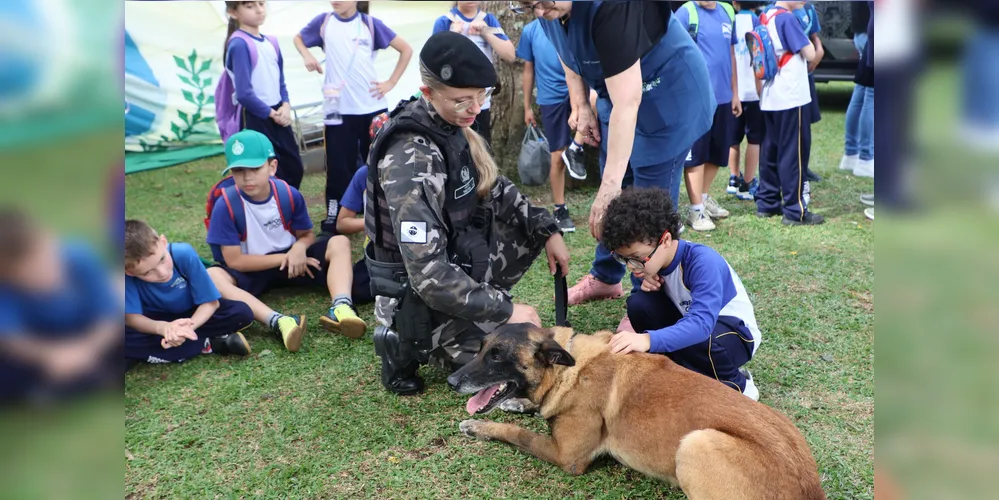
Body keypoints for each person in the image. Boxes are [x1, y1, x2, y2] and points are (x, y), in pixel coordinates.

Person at [364, 31, 570, 395]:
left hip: (455, 263)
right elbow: (427, 273)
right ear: (428, 93)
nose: (474, 109)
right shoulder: (410, 158)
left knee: (523, 227)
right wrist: (504, 311)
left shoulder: (452, 127)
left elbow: (495, 187)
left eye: (480, 96)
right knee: (502, 366)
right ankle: (403, 342)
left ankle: (470, 316)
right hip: (415, 292)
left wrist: (547, 228)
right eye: (462, 100)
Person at [516, 1, 713, 308]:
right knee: (616, 179)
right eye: (528, 6)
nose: (539, 12)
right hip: (617, 95)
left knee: (648, 196)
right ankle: (606, 278)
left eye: (543, 2)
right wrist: (580, 103)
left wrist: (609, 188)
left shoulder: (612, 6)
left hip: (668, 93)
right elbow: (564, 50)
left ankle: (648, 299)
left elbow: (628, 99)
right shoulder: (550, 10)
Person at [205, 130, 367, 352]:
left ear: (272, 167)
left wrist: (299, 249)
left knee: (339, 242)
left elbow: (306, 234)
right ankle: (279, 321)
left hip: (296, 265)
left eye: (254, 168)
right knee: (213, 276)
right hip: (254, 269)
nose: (247, 177)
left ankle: (341, 307)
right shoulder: (225, 205)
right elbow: (234, 261)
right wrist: (287, 257)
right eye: (238, 170)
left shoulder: (288, 194)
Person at [601, 188, 760, 401]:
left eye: (636, 258)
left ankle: (739, 385)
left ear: (665, 240)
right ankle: (681, 374)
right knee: (640, 304)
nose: (631, 267)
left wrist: (648, 340)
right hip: (698, 328)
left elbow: (701, 325)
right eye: (624, 259)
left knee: (698, 336)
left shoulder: (703, 262)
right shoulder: (654, 263)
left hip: (735, 335)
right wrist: (653, 284)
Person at [294, 0, 413, 235]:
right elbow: (298, 38)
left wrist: (391, 82)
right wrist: (307, 55)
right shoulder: (324, 22)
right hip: (337, 111)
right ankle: (333, 219)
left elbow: (406, 49)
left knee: (380, 163)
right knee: (338, 167)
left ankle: (384, 213)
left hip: (373, 108)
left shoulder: (370, 24)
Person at [0, 210, 120, 403]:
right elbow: (11, 338)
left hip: (91, 336)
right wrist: (50, 356)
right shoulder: (5, 288)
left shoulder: (79, 257)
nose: (43, 272)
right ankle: (67, 384)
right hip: (42, 346)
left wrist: (89, 350)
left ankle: (82, 380)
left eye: (45, 259)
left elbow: (107, 315)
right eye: (29, 271)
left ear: (50, 239)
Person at [125, 220, 254, 368]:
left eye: (162, 259)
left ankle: (165, 349)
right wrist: (163, 328)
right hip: (155, 321)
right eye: (147, 272)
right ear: (128, 271)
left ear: (163, 241)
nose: (162, 273)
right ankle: (210, 344)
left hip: (194, 315)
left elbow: (211, 303)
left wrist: (187, 329)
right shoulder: (124, 278)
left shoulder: (183, 254)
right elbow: (131, 319)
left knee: (240, 312)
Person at [517, 18, 589, 234]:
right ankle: (560, 208)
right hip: (551, 98)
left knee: (593, 111)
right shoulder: (530, 30)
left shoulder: (572, 22)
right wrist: (527, 106)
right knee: (557, 154)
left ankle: (577, 148)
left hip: (579, 90)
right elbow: (528, 70)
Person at [221, 1, 304, 189]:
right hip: (256, 116)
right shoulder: (239, 44)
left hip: (277, 113)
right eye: (250, 6)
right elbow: (244, 93)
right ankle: (275, 211)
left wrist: (285, 105)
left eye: (261, 4)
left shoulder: (271, 42)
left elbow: (280, 81)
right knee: (267, 170)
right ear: (233, 12)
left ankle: (287, 206)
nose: (259, 10)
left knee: (293, 166)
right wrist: (271, 114)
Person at [755, 1, 823, 226]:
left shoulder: (766, 15)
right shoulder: (787, 19)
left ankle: (767, 201)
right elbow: (810, 53)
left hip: (771, 93)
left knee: (771, 150)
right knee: (793, 153)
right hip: (791, 94)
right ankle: (795, 209)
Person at [675, 1, 742, 232]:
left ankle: (702, 199)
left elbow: (730, 54)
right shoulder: (686, 13)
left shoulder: (728, 11)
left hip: (723, 98)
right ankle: (695, 210)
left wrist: (735, 93)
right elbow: (672, 54)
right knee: (696, 157)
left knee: (717, 153)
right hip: (696, 100)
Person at [432, 1, 517, 144]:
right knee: (452, 144)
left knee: (481, 144)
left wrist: (486, 33)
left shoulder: (488, 21)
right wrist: (451, 35)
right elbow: (433, 61)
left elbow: (510, 55)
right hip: (453, 100)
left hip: (479, 101)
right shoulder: (445, 22)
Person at [728, 1, 765, 202]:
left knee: (733, 139)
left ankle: (733, 178)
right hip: (752, 92)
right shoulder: (757, 22)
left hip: (734, 91)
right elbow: (757, 56)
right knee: (754, 139)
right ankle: (748, 182)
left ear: (734, 3)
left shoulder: (729, 20)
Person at [334, 164, 374, 305]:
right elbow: (342, 223)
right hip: (378, 252)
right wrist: (373, 222)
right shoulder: (365, 173)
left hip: (415, 249)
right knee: (355, 288)